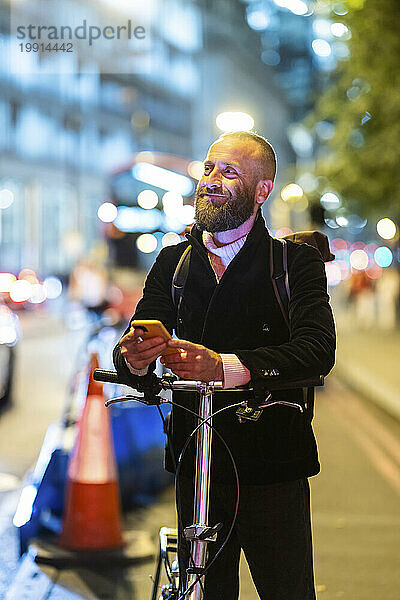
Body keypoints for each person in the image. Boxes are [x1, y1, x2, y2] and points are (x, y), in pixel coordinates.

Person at [113, 131, 336, 600]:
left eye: (229, 172)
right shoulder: (174, 262)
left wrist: (228, 367)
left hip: (272, 458)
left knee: (287, 591)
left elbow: (318, 349)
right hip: (198, 458)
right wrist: (133, 358)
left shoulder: (294, 262)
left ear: (262, 191)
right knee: (205, 592)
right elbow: (141, 334)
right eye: (209, 169)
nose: (211, 180)